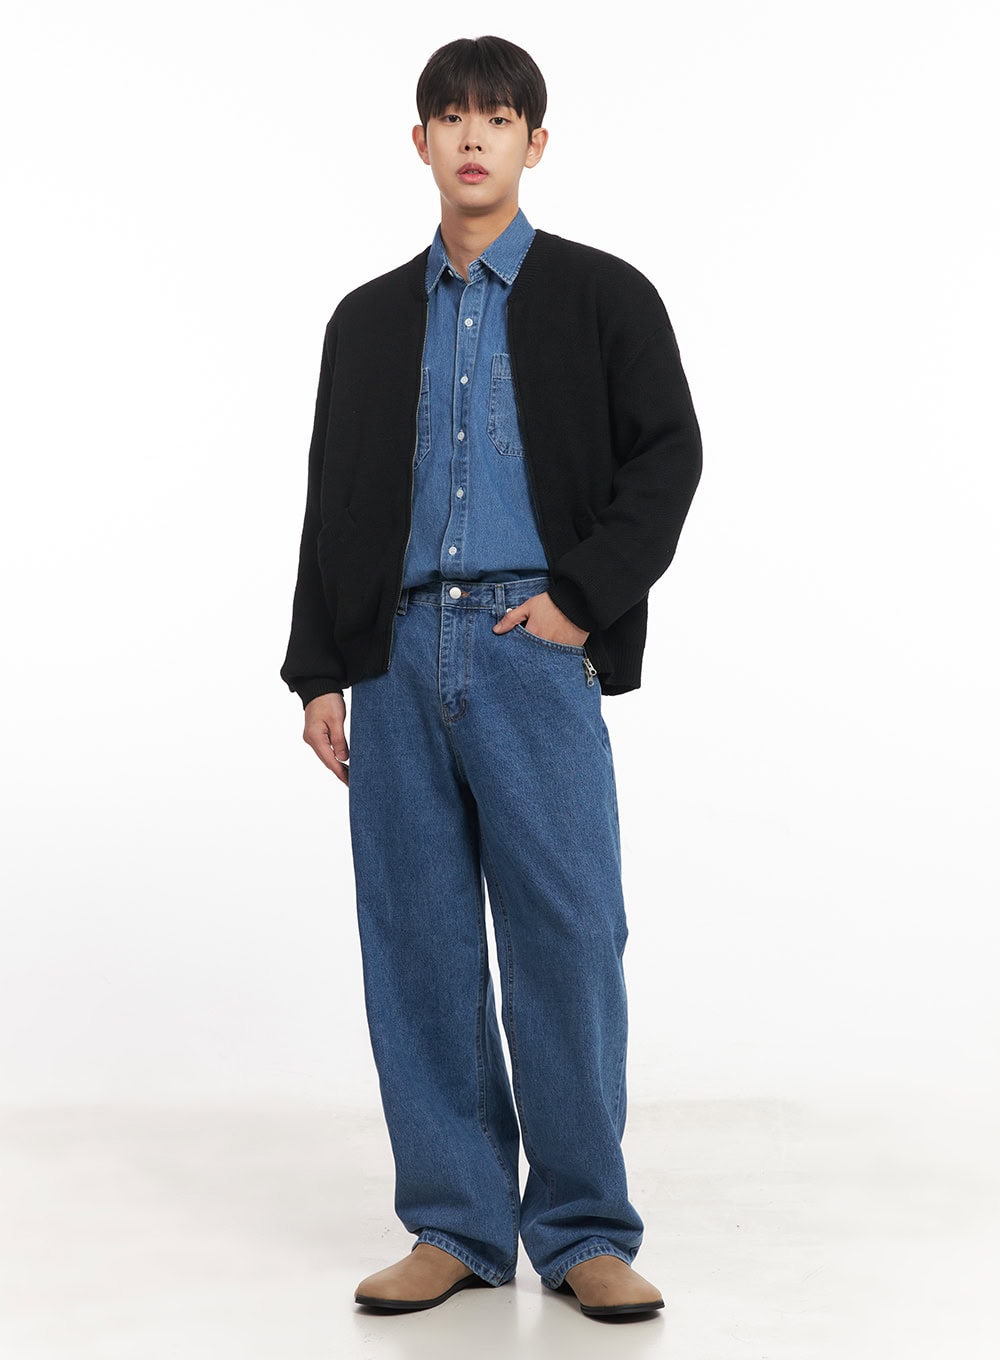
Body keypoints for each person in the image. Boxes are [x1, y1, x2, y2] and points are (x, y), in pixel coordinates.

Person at [279, 34, 702, 1320]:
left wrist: (578, 602)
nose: (474, 136)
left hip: (530, 646)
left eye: (499, 117)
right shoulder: (365, 320)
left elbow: (668, 457)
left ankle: (582, 1228)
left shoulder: (603, 296)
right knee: (417, 940)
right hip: (397, 652)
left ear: (535, 142)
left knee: (565, 935)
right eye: (452, 117)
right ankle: (456, 1222)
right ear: (419, 143)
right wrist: (319, 669)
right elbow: (334, 500)